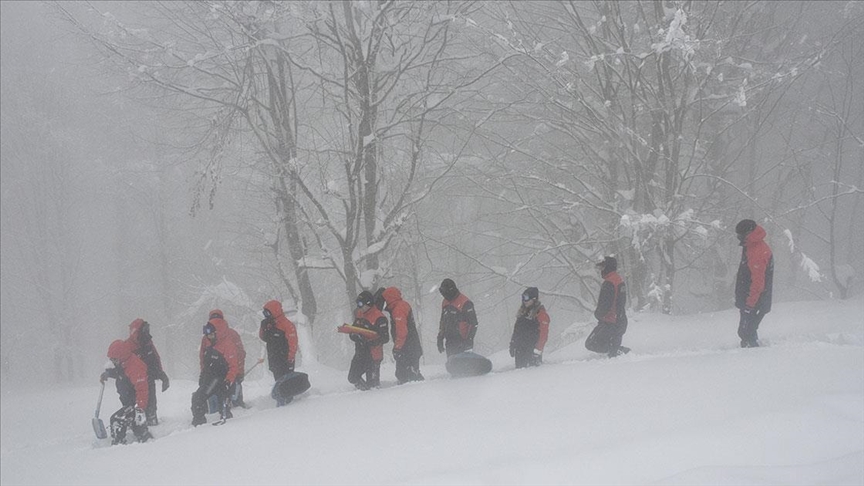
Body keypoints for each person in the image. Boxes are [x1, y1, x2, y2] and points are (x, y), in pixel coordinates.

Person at [100, 339, 153, 445]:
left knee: (117, 420)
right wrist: (108, 374)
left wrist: (140, 408)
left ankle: (119, 445)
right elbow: (121, 373)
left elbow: (142, 389)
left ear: (121, 356)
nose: (113, 362)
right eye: (111, 359)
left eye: (114, 359)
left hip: (136, 403)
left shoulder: (135, 367)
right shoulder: (124, 364)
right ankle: (144, 438)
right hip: (129, 402)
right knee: (136, 426)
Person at [191, 317, 240, 426]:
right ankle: (199, 422)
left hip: (222, 380)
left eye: (212, 334)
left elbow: (233, 366)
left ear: (218, 333)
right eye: (208, 335)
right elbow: (204, 361)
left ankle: (229, 425)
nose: (209, 337)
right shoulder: (209, 343)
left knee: (223, 403)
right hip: (210, 378)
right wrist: (202, 374)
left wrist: (228, 381)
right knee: (197, 398)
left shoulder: (227, 345)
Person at [734, 219, 774, 348]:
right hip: (753, 299)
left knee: (746, 332)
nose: (738, 238)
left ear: (748, 233)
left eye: (740, 235)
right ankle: (750, 350)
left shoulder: (757, 251)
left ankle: (753, 356)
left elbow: (758, 282)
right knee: (747, 331)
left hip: (755, 301)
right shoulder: (751, 246)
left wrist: (749, 304)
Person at [126, 318, 168, 425]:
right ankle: (136, 424)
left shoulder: (148, 343)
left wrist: (162, 375)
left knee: (151, 402)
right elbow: (120, 362)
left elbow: (155, 359)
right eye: (145, 330)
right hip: (133, 383)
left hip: (149, 378)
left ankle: (152, 420)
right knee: (134, 404)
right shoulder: (128, 346)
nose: (147, 333)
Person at [585, 256, 630, 357]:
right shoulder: (619, 280)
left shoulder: (609, 283)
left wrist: (598, 315)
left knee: (591, 344)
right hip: (620, 321)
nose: (600, 271)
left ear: (607, 267)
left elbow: (605, 304)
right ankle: (616, 350)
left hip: (610, 323)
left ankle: (618, 351)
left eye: (602, 268)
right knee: (611, 348)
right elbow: (620, 302)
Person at [259, 300, 299, 406]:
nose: (266, 316)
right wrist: (263, 327)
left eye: (267, 313)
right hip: (274, 358)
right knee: (278, 380)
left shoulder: (287, 325)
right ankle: (281, 400)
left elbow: (293, 342)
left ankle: (288, 401)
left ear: (274, 312)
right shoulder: (269, 325)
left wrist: (290, 357)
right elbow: (263, 337)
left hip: (285, 359)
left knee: (286, 381)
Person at [347, 290, 389, 390]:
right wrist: (354, 335)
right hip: (360, 354)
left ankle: (372, 400)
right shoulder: (360, 315)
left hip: (373, 355)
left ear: (369, 303)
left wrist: (368, 340)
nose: (359, 307)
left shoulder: (379, 317)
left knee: (373, 386)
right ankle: (364, 393)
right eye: (358, 304)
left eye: (361, 304)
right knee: (353, 377)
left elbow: (385, 338)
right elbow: (353, 330)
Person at [381, 287, 424, 384]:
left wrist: (397, 348)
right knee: (411, 373)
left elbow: (402, 332)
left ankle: (412, 395)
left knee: (404, 376)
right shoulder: (402, 305)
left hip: (406, 348)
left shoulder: (398, 309)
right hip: (411, 346)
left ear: (389, 298)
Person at [205, 309, 247, 407]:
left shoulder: (207, 337)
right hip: (232, 369)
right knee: (234, 388)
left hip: (216, 372)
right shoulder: (233, 333)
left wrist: (206, 371)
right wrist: (239, 371)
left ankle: (223, 406)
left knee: (217, 390)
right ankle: (236, 404)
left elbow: (203, 356)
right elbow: (241, 353)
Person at [509, 287, 550, 368]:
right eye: (523, 298)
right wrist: (513, 344)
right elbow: (517, 331)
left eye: (527, 298)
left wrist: (537, 350)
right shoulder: (522, 313)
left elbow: (543, 334)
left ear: (534, 299)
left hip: (532, 352)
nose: (525, 301)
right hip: (520, 351)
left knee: (531, 376)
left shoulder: (540, 313)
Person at [437, 278, 479, 357]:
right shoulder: (445, 302)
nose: (444, 295)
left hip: (462, 341)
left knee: (462, 367)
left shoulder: (465, 303)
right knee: (452, 366)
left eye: (445, 293)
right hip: (449, 341)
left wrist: (469, 341)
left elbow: (474, 324)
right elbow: (443, 321)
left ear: (451, 290)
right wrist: (440, 337)